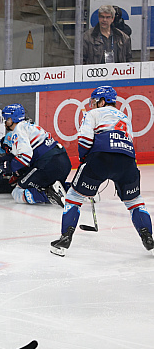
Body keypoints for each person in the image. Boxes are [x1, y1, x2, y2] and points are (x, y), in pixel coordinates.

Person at [51, 86, 154, 257]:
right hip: (127, 162)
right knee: (135, 201)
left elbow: (84, 139)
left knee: (74, 197)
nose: (92, 105)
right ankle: (148, 238)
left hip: (100, 159)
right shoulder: (125, 117)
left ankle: (64, 239)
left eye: (94, 101)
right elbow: (129, 142)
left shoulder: (92, 114)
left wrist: (84, 159)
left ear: (103, 101)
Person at [0, 104, 71, 206]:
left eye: (6, 119)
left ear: (12, 119)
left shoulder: (18, 131)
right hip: (63, 161)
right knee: (47, 183)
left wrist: (5, 167)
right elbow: (4, 145)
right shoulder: (29, 126)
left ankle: (48, 195)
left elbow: (25, 157)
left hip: (47, 164)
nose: (5, 122)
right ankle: (75, 189)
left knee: (17, 193)